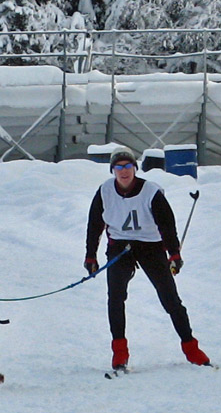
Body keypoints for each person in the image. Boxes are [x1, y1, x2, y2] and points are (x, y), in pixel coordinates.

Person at [84, 146, 209, 371]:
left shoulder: (150, 192)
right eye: (119, 167)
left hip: (150, 247)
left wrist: (174, 254)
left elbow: (167, 225)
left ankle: (192, 348)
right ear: (113, 170)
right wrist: (90, 255)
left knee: (170, 298)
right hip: (120, 247)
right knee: (115, 297)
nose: (124, 171)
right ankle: (119, 353)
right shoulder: (104, 191)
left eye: (128, 166)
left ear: (135, 167)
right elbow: (95, 225)